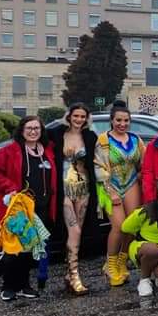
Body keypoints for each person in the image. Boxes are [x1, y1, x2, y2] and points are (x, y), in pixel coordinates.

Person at [0, 116, 58, 301]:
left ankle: (24, 285)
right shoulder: (9, 150)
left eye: (37, 128)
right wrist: (10, 188)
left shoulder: (48, 150)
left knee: (30, 249)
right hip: (17, 208)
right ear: (22, 130)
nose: (33, 131)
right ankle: (8, 287)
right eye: (29, 128)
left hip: (41, 209)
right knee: (13, 250)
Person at [47, 102, 97, 295]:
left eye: (82, 117)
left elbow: (97, 159)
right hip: (64, 189)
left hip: (84, 189)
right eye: (76, 116)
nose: (79, 120)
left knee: (78, 232)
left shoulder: (89, 136)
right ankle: (75, 274)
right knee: (74, 230)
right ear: (69, 116)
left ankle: (69, 274)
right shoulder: (57, 134)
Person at [95, 102, 146, 287]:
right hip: (110, 185)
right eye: (118, 120)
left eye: (126, 120)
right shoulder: (103, 140)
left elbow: (143, 162)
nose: (122, 124)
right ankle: (110, 264)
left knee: (132, 225)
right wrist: (110, 191)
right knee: (118, 226)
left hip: (132, 183)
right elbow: (98, 167)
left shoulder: (135, 139)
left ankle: (122, 261)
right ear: (111, 120)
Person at [121, 178, 158, 297]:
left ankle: (155, 272)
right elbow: (125, 227)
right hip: (143, 247)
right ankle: (144, 280)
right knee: (152, 250)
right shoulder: (146, 210)